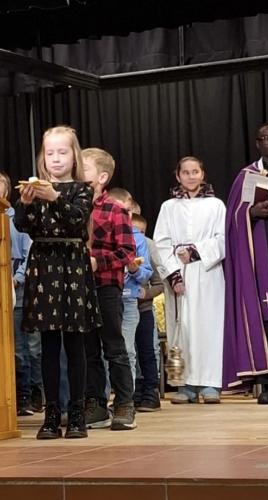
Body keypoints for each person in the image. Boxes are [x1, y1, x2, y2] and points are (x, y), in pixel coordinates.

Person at [14, 126, 102, 439]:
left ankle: (76, 414)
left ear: (74, 156)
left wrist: (54, 197)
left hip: (72, 265)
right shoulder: (35, 189)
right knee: (48, 344)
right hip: (44, 266)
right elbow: (22, 226)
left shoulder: (82, 189)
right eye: (49, 152)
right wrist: (25, 204)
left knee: (75, 344)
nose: (55, 158)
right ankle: (51, 414)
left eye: (62, 152)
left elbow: (76, 219)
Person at [153, 156, 226, 404]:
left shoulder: (216, 205)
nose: (191, 176)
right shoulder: (169, 207)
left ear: (202, 174)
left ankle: (210, 383)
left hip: (207, 273)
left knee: (209, 327)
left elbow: (223, 239)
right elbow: (161, 243)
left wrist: (195, 252)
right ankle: (183, 384)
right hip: (178, 273)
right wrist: (173, 275)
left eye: (195, 171)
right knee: (180, 327)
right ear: (178, 176)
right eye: (186, 172)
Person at [0, 169, 43, 415]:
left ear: (5, 195)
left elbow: (28, 254)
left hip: (17, 290)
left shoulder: (16, 220)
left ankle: (26, 394)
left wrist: (16, 278)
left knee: (20, 346)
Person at [81, 148, 137, 431]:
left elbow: (127, 252)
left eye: (84, 168)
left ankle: (125, 403)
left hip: (106, 287)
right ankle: (96, 404)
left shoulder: (115, 209)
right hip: (80, 288)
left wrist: (97, 262)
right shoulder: (73, 207)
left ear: (102, 177)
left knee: (114, 347)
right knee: (87, 349)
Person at [223, 122, 268, 402]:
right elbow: (234, 217)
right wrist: (253, 212)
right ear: (258, 143)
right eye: (266, 138)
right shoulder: (247, 176)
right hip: (261, 254)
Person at [107, 188, 153, 386]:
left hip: (128, 299)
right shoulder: (101, 234)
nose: (123, 215)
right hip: (106, 298)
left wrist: (134, 269)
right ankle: (104, 395)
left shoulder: (138, 238)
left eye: (126, 211)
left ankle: (127, 395)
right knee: (104, 350)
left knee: (127, 349)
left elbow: (146, 273)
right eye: (117, 210)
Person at [132, 212, 164, 412]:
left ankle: (151, 391)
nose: (138, 236)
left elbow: (159, 284)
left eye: (141, 232)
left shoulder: (147, 250)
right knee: (129, 352)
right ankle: (135, 390)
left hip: (143, 310)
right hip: (123, 310)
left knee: (147, 351)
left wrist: (146, 294)